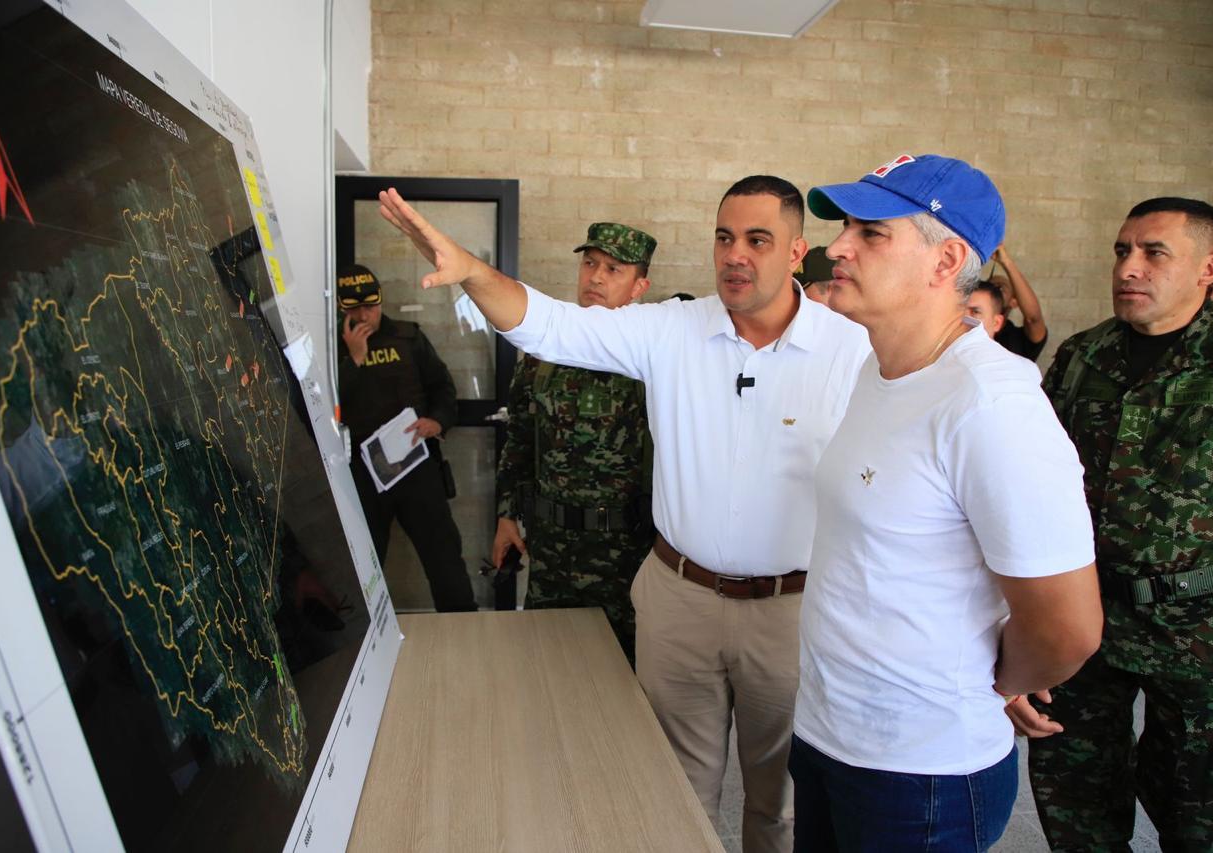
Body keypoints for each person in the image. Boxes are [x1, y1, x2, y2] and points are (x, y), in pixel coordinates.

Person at [379, 176, 871, 853]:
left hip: (788, 612)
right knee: (670, 794)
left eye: (758, 240)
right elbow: (551, 324)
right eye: (724, 237)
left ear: (795, 251)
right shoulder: (672, 329)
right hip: (680, 601)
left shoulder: (851, 350)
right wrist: (470, 271)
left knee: (778, 804)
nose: (735, 254)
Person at [791, 154, 1102, 851]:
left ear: (946, 260)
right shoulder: (879, 369)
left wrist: (992, 683)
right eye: (844, 227)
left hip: (921, 773)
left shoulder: (992, 404)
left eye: (871, 232)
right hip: (831, 736)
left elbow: (1069, 628)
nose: (837, 247)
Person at [1025, 197, 1213, 851]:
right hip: (1087, 618)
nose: (1129, 268)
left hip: (1204, 635)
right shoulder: (1084, 356)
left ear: (1210, 267)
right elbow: (1034, 483)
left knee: (1203, 818)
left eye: (1153, 253)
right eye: (1122, 251)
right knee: (1075, 802)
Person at [493, 222, 658, 662]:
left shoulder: (655, 357)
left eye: (613, 269)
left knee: (624, 674)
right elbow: (519, 440)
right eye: (590, 263)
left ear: (639, 287)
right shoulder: (542, 353)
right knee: (549, 666)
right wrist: (506, 517)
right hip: (552, 550)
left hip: (626, 554)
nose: (596, 277)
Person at [336, 263, 476, 612]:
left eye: (370, 306)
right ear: (340, 308)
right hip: (364, 473)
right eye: (355, 309)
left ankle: (463, 624)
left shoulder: (408, 338)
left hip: (415, 464)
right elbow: (324, 406)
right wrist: (354, 359)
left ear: (381, 301)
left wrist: (437, 422)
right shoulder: (332, 347)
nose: (364, 315)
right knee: (362, 566)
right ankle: (366, 635)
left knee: (444, 557)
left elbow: (442, 388)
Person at [988, 243, 1049, 360]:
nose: (994, 292)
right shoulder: (972, 330)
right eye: (990, 287)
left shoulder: (1018, 338)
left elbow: (1033, 319)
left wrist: (1006, 262)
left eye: (1000, 287)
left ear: (1014, 302)